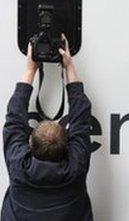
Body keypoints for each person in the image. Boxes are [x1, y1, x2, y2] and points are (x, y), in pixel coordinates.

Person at [1, 35, 94, 221]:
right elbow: (81, 119)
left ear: (30, 143)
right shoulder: (76, 167)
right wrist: (69, 66)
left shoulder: (19, 166)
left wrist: (30, 69)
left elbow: (14, 120)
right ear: (67, 147)